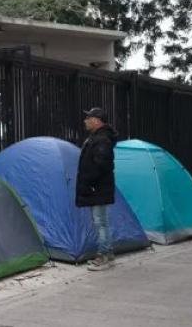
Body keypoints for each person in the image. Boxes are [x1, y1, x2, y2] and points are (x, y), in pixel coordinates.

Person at [77, 107, 119, 271]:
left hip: (98, 188)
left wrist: (89, 183)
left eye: (88, 118)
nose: (85, 121)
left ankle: (103, 257)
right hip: (98, 188)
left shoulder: (102, 140)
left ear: (96, 120)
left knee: (100, 222)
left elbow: (101, 165)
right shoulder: (98, 138)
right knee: (102, 222)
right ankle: (108, 255)